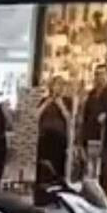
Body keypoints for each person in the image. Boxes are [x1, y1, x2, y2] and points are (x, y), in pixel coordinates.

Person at [36, 76, 73, 205]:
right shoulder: (44, 100)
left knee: (58, 167)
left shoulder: (67, 101)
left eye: (60, 85)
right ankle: (42, 194)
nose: (58, 88)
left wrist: (60, 104)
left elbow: (69, 119)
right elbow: (36, 116)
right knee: (44, 166)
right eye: (56, 85)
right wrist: (47, 103)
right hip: (45, 138)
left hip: (59, 139)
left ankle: (58, 196)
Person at [81, 67, 107, 150]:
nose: (99, 77)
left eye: (102, 74)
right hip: (90, 133)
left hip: (104, 133)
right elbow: (86, 115)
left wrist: (106, 115)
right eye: (97, 74)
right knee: (92, 157)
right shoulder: (91, 94)